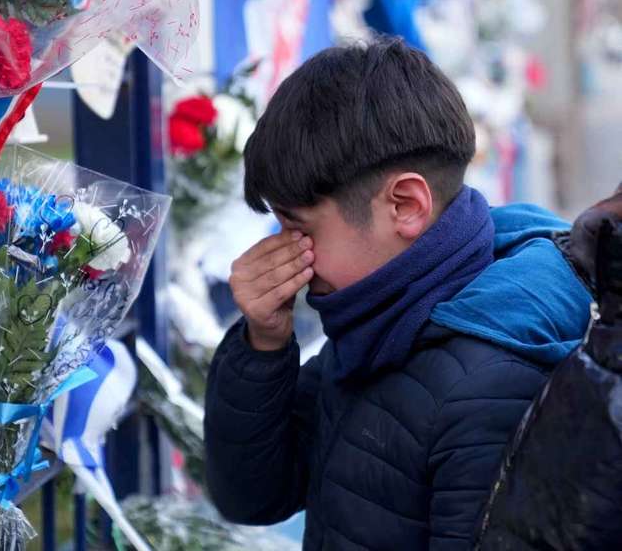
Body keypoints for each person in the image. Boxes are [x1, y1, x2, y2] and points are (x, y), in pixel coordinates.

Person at [203, 37, 593, 550]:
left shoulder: (494, 383)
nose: (283, 251)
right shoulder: (385, 314)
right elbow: (252, 496)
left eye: (299, 228)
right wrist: (263, 344)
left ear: (406, 206)